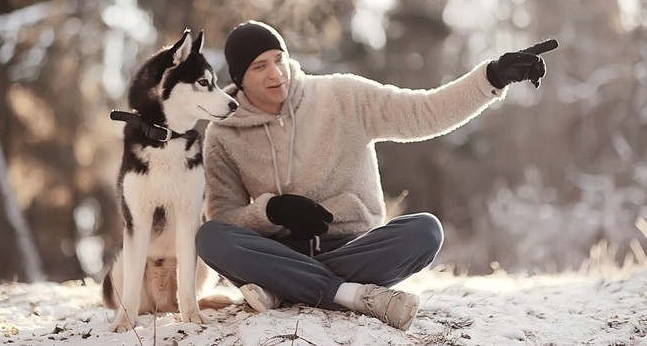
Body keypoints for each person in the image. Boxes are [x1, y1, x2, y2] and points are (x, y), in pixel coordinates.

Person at [196, 20, 554, 330]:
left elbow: (424, 112)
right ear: (240, 78)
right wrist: (270, 211)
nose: (276, 74)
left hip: (353, 246)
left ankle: (284, 288)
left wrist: (490, 77)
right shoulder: (224, 133)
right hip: (276, 249)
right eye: (260, 67)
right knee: (211, 237)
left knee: (425, 230)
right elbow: (225, 215)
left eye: (279, 60)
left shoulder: (342, 95)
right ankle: (347, 292)